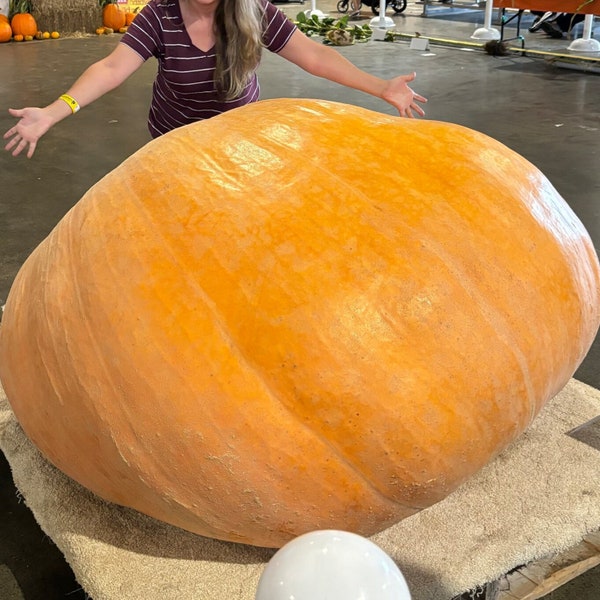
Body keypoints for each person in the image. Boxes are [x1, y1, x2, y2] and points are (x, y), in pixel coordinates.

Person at [3, 0, 427, 159]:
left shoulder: (253, 11)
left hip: (237, 142)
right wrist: (54, 112)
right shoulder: (160, 15)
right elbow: (112, 68)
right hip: (173, 145)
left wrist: (380, 86)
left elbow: (313, 55)